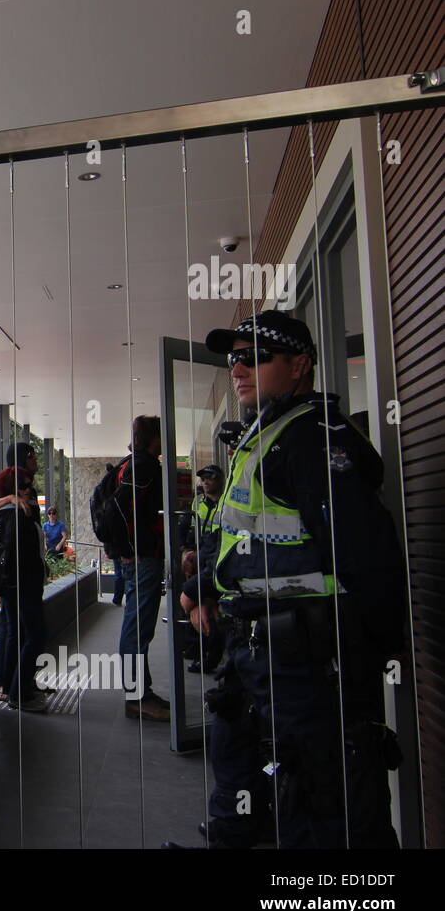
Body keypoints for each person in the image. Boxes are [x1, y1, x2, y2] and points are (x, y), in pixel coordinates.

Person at [170, 311, 406, 849]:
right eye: (233, 358)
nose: (238, 369)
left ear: (300, 365)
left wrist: (370, 660)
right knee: (238, 756)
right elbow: (244, 538)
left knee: (323, 796)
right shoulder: (267, 434)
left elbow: (367, 560)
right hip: (256, 646)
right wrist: (199, 587)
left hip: (309, 656)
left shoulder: (312, 441)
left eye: (255, 357)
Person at [112, 414, 169, 721]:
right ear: (153, 438)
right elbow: (123, 509)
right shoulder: (143, 466)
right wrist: (126, 550)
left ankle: (140, 693)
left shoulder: (132, 464)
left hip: (139, 557)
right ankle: (137, 697)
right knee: (137, 629)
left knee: (138, 628)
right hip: (142, 558)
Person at [0, 464, 49, 712]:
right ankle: (20, 692)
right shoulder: (17, 515)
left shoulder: (4, 513)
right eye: (25, 485)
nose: (29, 489)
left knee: (15, 633)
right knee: (35, 635)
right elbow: (21, 555)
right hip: (24, 584)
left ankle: (11, 687)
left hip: (10, 584)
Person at [180, 464, 224, 674]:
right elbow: (186, 528)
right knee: (201, 606)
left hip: (216, 563)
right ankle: (198, 649)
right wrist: (186, 551)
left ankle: (209, 653)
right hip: (197, 561)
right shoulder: (199, 504)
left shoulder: (226, 505)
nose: (205, 482)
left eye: (210, 478)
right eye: (203, 478)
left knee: (205, 606)